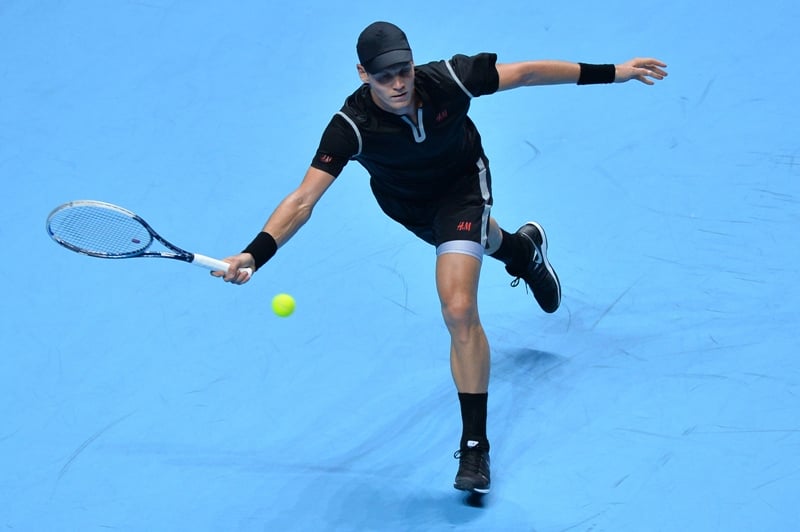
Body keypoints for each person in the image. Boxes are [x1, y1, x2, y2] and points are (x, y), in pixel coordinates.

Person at [214, 21, 667, 495]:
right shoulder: (349, 126)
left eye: (403, 70)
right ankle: (522, 251)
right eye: (384, 75)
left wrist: (614, 72)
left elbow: (529, 73)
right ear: (362, 74)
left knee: (457, 307)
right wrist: (255, 253)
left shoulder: (450, 78)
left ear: (412, 63)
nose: (398, 83)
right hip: (409, 207)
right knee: (482, 244)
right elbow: (303, 200)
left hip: (462, 189)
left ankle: (475, 446)